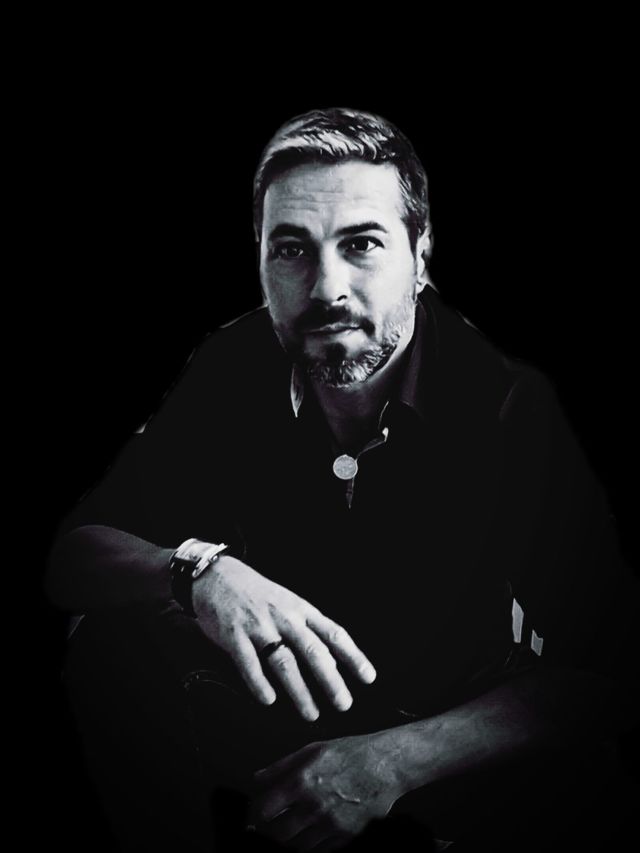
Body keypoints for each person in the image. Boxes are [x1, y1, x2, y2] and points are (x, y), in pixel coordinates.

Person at [45, 107, 639, 852]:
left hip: (443, 742)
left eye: (361, 244)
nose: (326, 288)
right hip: (270, 716)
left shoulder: (511, 407)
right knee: (110, 649)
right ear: (260, 262)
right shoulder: (230, 364)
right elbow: (70, 559)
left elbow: (615, 672)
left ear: (421, 256)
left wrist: (388, 763)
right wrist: (199, 570)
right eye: (291, 249)